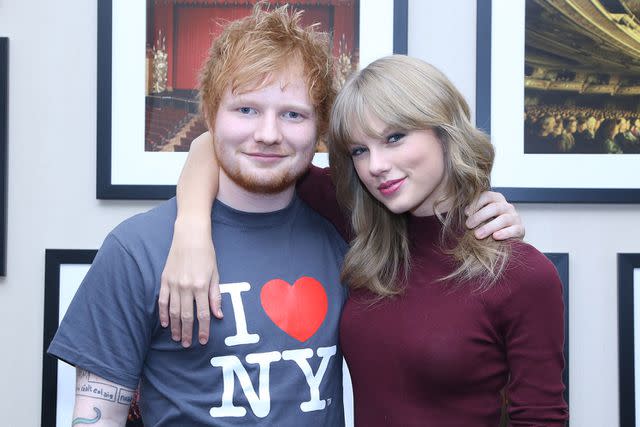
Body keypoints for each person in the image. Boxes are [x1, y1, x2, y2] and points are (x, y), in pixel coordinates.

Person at [160, 55, 565, 424]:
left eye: (394, 138)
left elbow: (541, 417)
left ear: (445, 132)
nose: (377, 166)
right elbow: (209, 146)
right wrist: (192, 231)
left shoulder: (522, 274)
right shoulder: (362, 228)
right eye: (358, 150)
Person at [48, 4, 352, 425]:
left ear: (318, 128)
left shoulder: (346, 232)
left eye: (293, 115)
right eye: (245, 109)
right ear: (210, 116)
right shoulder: (136, 250)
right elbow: (97, 416)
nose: (268, 134)